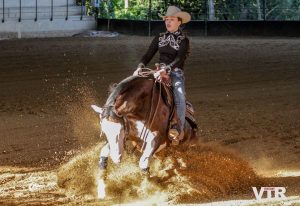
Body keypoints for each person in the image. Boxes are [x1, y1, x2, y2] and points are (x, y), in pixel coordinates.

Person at [133, 6, 191, 143]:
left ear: (179, 22)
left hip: (175, 73)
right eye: (166, 19)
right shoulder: (159, 37)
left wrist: (167, 70)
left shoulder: (184, 40)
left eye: (172, 19)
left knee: (180, 96)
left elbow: (179, 59)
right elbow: (148, 55)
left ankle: (178, 128)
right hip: (157, 71)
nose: (168, 22)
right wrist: (140, 66)